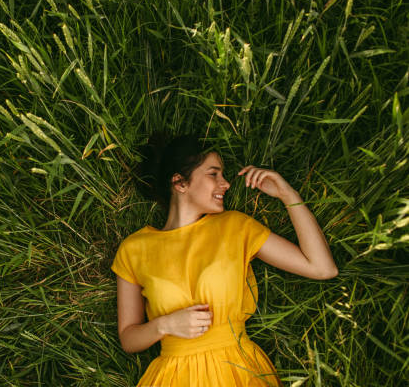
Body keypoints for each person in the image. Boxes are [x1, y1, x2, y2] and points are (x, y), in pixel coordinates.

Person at [111, 132, 339, 386]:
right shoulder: (135, 248)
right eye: (213, 174)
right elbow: (129, 339)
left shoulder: (235, 227)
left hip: (238, 369)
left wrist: (288, 195)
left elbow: (322, 268)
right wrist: (164, 325)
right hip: (172, 375)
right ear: (180, 183)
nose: (226, 183)